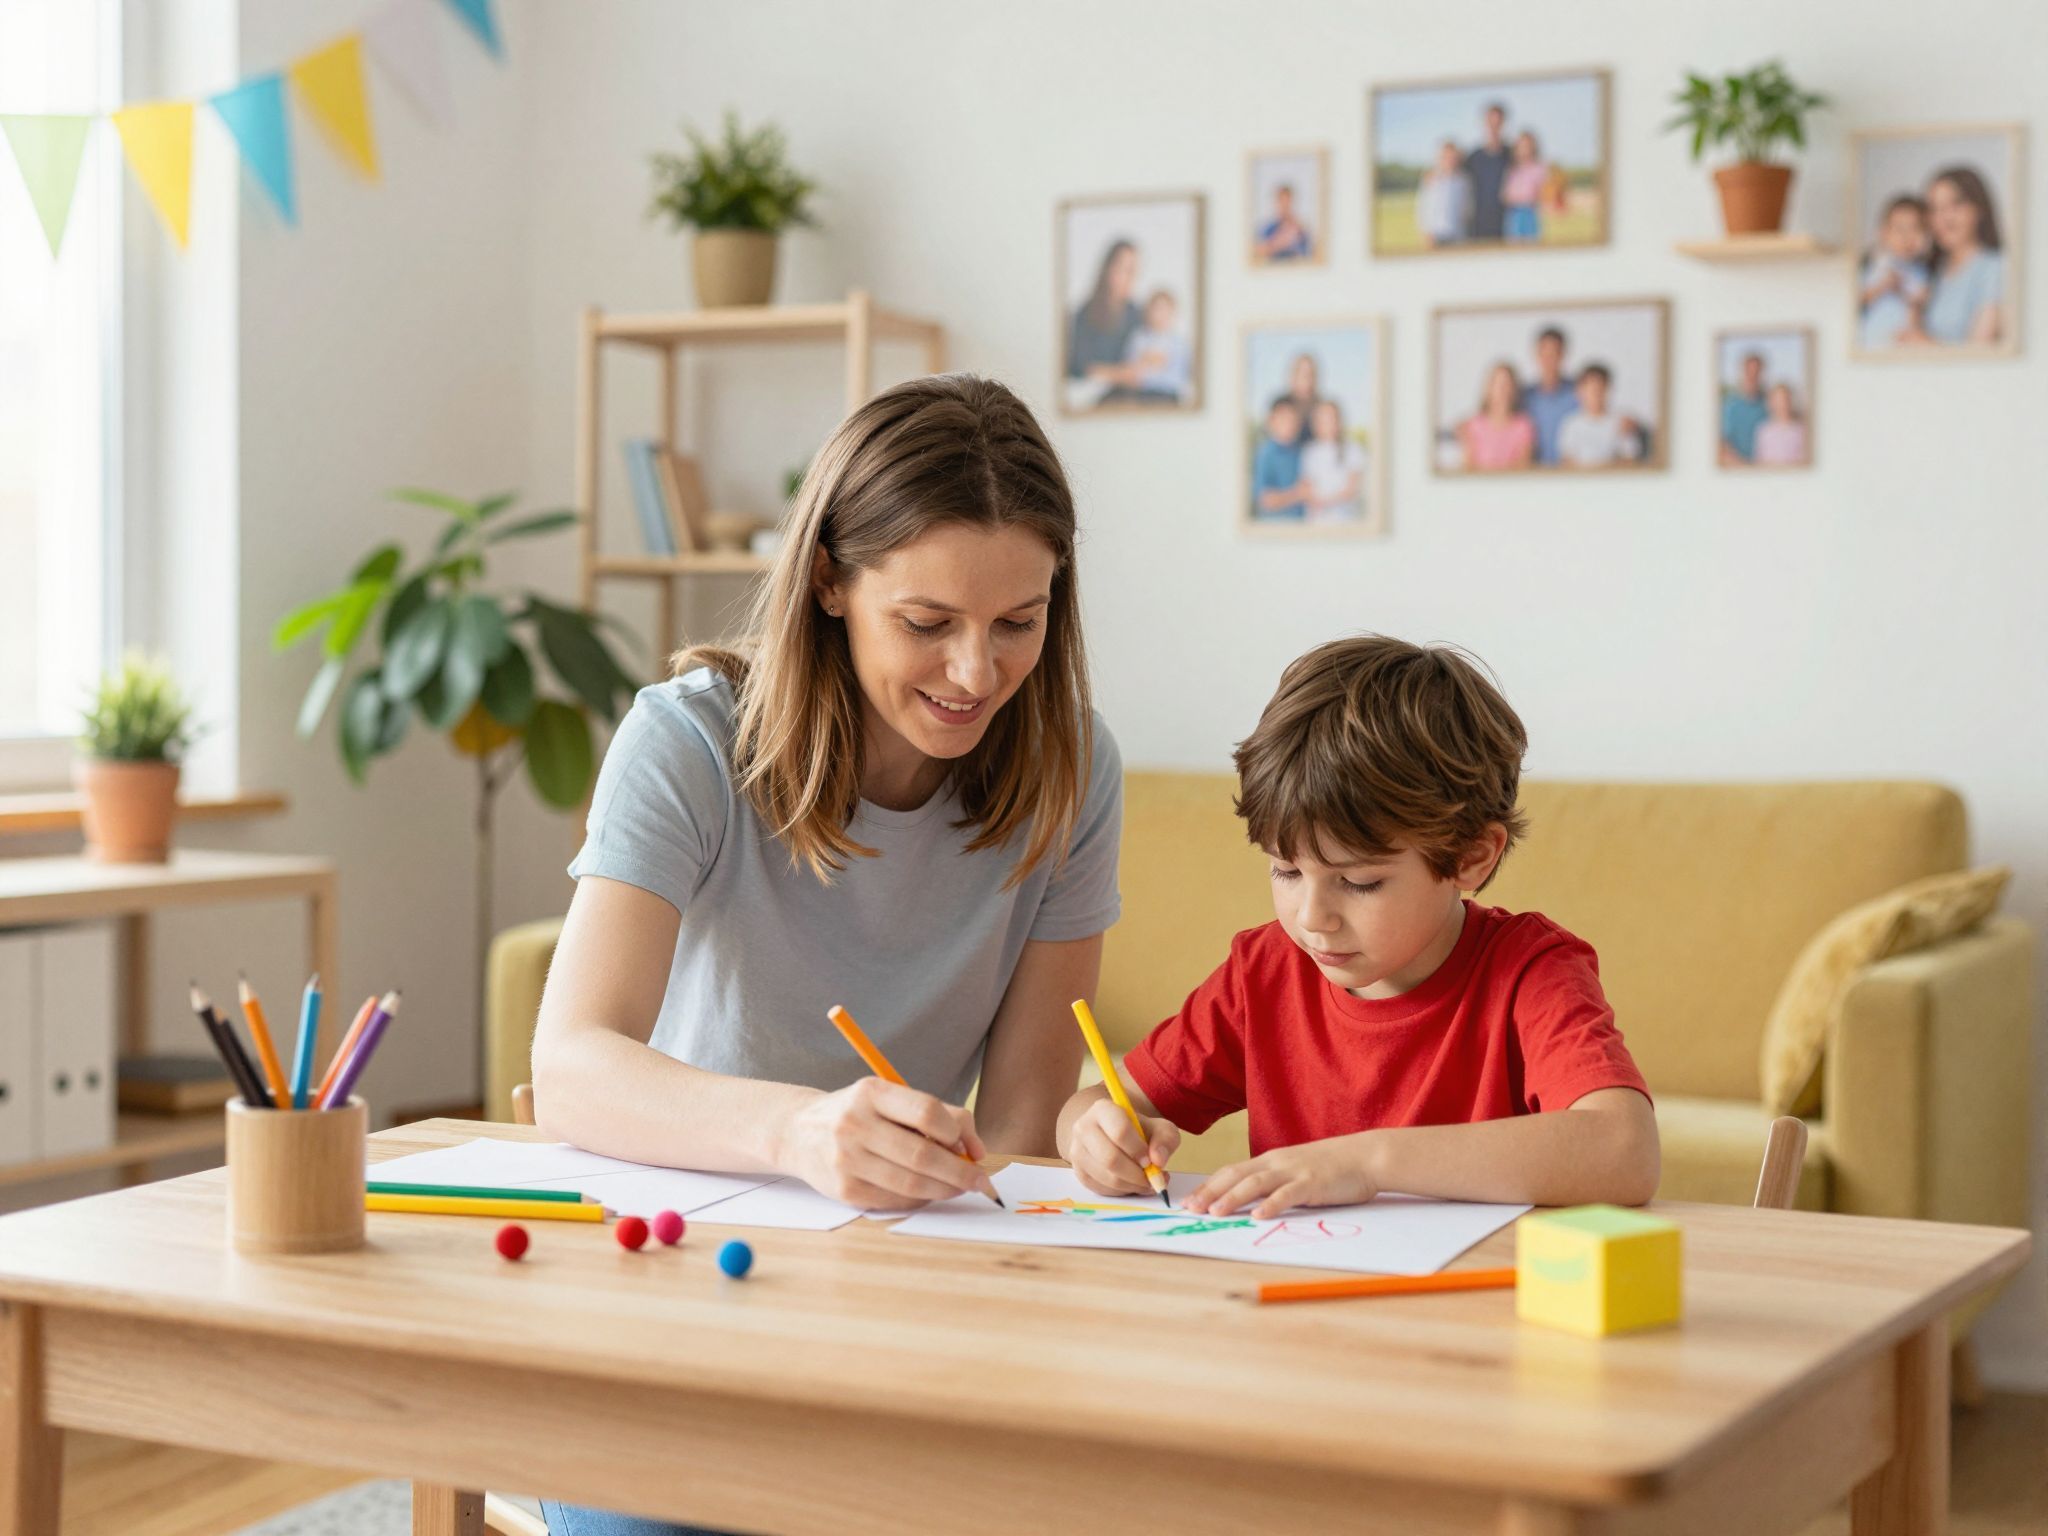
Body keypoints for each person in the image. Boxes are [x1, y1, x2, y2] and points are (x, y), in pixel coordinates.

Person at [533, 373, 1124, 1536]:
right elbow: (570, 1063)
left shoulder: (1069, 770)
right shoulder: (689, 742)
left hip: (905, 1297)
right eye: (926, 623)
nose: (974, 675)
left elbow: (1014, 1122)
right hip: (678, 1288)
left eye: (1018, 622)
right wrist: (797, 1133)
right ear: (829, 585)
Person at [1056, 635, 1658, 1217]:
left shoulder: (1530, 969)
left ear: (1473, 856)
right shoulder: (1263, 973)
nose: (1312, 918)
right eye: (1285, 871)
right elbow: (1100, 1102)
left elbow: (1624, 1152)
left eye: (1360, 881)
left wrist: (1368, 1161)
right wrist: (1093, 1135)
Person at [1907, 166, 2006, 347]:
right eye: (1934, 209)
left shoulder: (1996, 267)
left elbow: (1980, 352)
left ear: (1979, 208)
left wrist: (1924, 345)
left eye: (1955, 204)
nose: (1943, 218)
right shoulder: (1935, 270)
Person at [1067, 239, 1144, 392]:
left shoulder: (1137, 315)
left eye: (1133, 271)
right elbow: (1079, 366)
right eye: (1125, 270)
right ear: (1108, 269)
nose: (1130, 277)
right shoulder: (1084, 314)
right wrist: (1119, 374)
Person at [1857, 195, 1931, 351]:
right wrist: (1883, 286)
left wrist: (1907, 293)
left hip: (1904, 344)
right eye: (1900, 230)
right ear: (1883, 233)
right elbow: (1858, 300)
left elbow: (1921, 302)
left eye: (1915, 229)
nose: (1907, 238)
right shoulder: (1874, 264)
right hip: (1872, 342)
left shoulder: (1921, 271)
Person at [1556, 363, 1643, 468]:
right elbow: (1566, 462)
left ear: (1608, 390)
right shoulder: (1571, 424)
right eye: (1590, 389)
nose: (1595, 394)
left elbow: (1630, 460)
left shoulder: (1622, 423)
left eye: (1600, 389)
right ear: (1579, 391)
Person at [1300, 398, 1367, 524]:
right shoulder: (1309, 451)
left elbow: (1351, 489)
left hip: (1345, 520)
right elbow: (1306, 485)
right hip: (1316, 521)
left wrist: (1324, 502)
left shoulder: (1353, 449)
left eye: (1331, 418)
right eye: (1322, 420)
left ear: (1340, 421)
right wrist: (1312, 500)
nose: (1328, 424)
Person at [1458, 362, 1534, 472]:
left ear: (1514, 389)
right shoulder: (1474, 425)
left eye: (1507, 384)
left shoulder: (1524, 426)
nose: (1502, 389)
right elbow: (1468, 468)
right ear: (1489, 388)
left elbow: (1522, 467)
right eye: (1498, 384)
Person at [1121, 289, 1192, 402]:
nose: (1160, 314)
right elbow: (1131, 370)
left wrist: (1149, 361)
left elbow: (1181, 376)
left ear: (1172, 312)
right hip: (1140, 397)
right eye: (1156, 309)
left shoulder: (1180, 343)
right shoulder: (1138, 338)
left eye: (1165, 309)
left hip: (1169, 397)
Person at [1523, 327, 1578, 467]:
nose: (1549, 361)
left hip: (1571, 474)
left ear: (1563, 355)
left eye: (1554, 354)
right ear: (1536, 355)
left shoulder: (1579, 393)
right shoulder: (1523, 396)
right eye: (1545, 354)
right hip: (1533, 475)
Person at [1252, 396, 1308, 520]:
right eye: (1284, 419)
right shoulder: (1266, 454)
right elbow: (1265, 500)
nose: (1290, 424)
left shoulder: (1301, 451)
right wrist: (1298, 494)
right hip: (1275, 529)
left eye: (1294, 419)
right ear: (1271, 421)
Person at [1463, 101, 1511, 241]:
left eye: (1498, 123)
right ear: (1484, 123)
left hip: (1506, 227)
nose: (1494, 127)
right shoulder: (1473, 158)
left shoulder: (1511, 155)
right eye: (1491, 122)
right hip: (1477, 227)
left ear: (1503, 124)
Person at [1416, 139, 1472, 248]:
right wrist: (1425, 232)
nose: (1450, 160)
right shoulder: (1431, 179)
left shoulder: (1464, 180)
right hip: (1435, 234)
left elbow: (1467, 208)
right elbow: (1422, 207)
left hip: (1457, 235)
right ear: (1440, 158)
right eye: (1446, 156)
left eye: (1453, 157)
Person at [1718, 352, 1769, 466]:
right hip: (1737, 468)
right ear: (1742, 372)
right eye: (1749, 372)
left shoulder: (1769, 404)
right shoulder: (1729, 405)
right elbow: (1723, 443)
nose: (1752, 376)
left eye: (1756, 372)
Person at [1502, 130, 1547, 242]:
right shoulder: (1512, 170)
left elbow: (1543, 195)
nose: (1525, 150)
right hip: (1514, 215)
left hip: (1531, 214)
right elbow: (1505, 195)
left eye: (1528, 146)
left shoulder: (1539, 169)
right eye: (1521, 146)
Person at [1751, 382, 1809, 467]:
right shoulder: (1763, 430)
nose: (1782, 404)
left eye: (1785, 399)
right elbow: (1758, 461)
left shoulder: (1800, 430)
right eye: (1778, 400)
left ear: (1791, 401)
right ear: (1771, 403)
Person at [1256, 182, 1313, 262]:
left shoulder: (1301, 230)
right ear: (1276, 203)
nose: (1284, 206)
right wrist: (1280, 242)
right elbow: (1259, 252)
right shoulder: (1268, 228)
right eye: (1281, 201)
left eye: (1287, 201)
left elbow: (1309, 255)